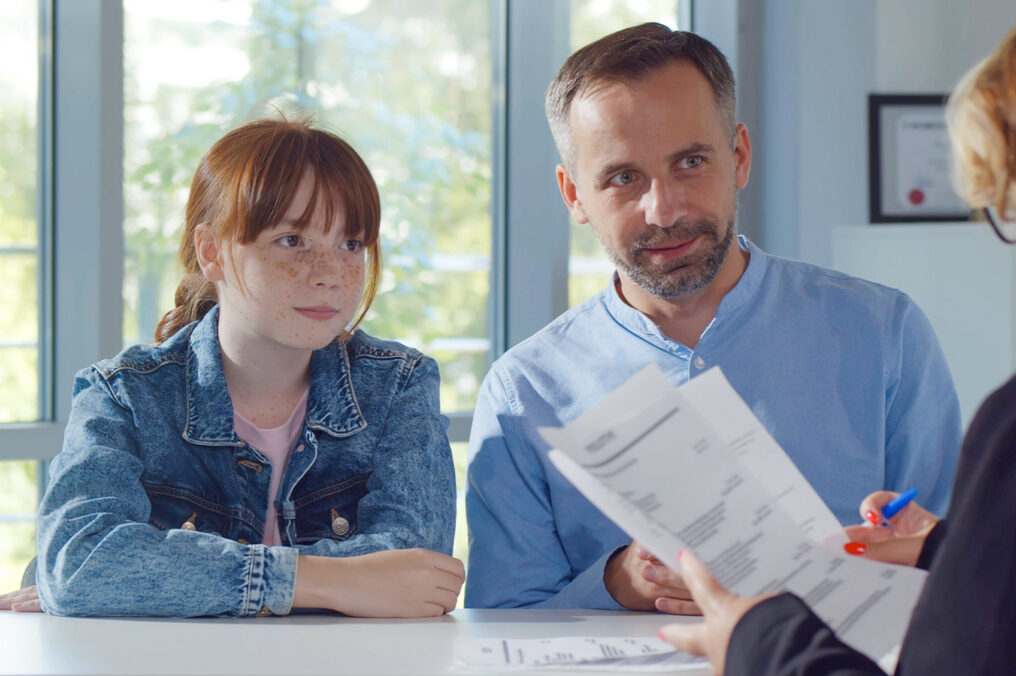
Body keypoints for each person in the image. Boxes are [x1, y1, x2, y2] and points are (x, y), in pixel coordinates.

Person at [465, 23, 962, 613]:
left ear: (739, 157)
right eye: (624, 178)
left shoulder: (885, 335)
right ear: (574, 194)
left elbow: (970, 574)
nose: (664, 209)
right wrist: (618, 583)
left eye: (691, 162)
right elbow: (500, 623)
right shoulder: (523, 390)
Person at [660, 17, 1016, 676]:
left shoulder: (899, 338)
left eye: (1012, 205)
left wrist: (758, 637)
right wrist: (946, 546)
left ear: (738, 157)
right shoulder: (525, 381)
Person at [0, 116, 464, 617]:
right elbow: (81, 564)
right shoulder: (122, 395)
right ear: (211, 252)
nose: (330, 274)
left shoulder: (399, 385)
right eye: (292, 240)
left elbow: (419, 576)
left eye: (351, 244)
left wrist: (154, 582)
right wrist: (324, 581)